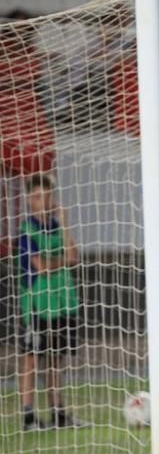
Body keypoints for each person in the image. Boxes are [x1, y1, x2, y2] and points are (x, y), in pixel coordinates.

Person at [18, 174, 88, 430]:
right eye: (36, 196)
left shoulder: (58, 227)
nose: (43, 200)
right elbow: (41, 267)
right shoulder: (26, 231)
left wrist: (66, 223)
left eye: (46, 195)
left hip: (62, 301)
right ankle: (28, 416)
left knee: (56, 358)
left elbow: (74, 256)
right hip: (37, 302)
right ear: (29, 200)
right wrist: (59, 264)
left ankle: (59, 414)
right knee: (32, 358)